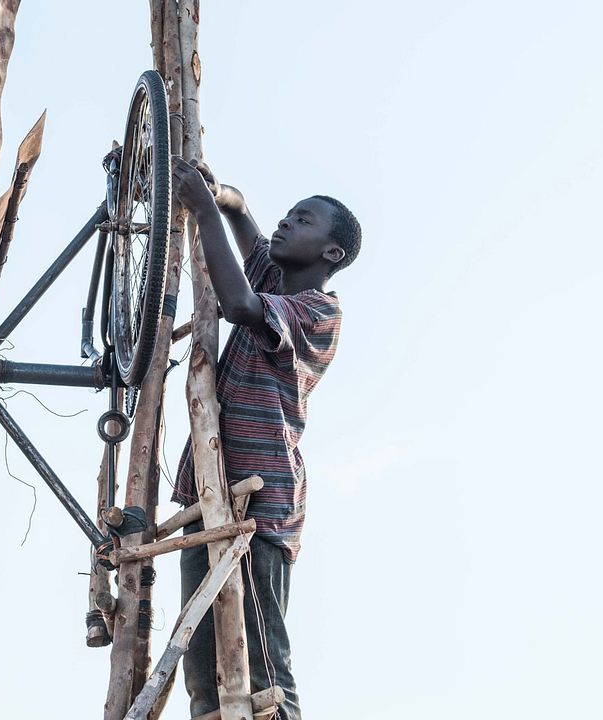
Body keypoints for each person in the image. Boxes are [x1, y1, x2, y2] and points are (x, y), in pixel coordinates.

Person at [170, 156, 362, 720]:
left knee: (262, 674)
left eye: (302, 221)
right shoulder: (274, 274)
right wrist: (224, 198)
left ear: (333, 253)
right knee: (204, 676)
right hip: (210, 491)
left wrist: (203, 208)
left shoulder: (318, 310)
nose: (285, 224)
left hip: (261, 499)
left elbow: (237, 305)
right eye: (288, 216)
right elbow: (248, 225)